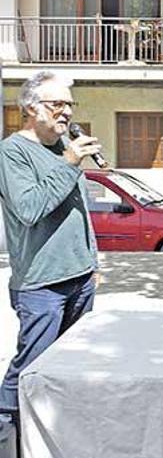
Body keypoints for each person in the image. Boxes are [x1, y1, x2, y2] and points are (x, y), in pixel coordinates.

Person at [0, 71, 101, 425]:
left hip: (81, 279)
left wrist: (92, 262)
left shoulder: (61, 148)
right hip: (42, 286)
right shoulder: (12, 153)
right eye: (56, 103)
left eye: (69, 105)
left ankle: (57, 440)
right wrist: (70, 163)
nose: (66, 112)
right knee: (31, 368)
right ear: (31, 107)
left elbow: (78, 212)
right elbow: (30, 209)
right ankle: (6, 436)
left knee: (70, 367)